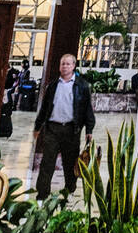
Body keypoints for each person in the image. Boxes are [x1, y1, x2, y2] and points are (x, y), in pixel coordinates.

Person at [34, 53, 95, 199]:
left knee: (70, 164)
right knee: (47, 162)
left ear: (74, 66)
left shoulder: (82, 86)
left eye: (68, 64)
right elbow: (44, 108)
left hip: (71, 130)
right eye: (63, 64)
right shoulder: (53, 86)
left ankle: (69, 190)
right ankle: (42, 194)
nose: (65, 66)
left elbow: (87, 109)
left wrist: (89, 129)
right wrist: (38, 127)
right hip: (52, 129)